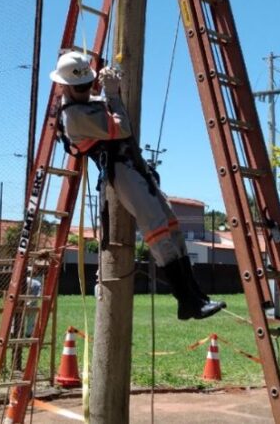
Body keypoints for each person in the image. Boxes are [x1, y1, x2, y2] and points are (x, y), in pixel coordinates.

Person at [50, 51, 225, 320]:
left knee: (172, 227)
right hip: (122, 172)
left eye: (88, 84)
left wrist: (108, 85)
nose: (87, 91)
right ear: (66, 87)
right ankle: (187, 299)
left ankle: (194, 297)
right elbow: (122, 128)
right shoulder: (74, 115)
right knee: (157, 231)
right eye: (81, 86)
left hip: (134, 166)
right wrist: (113, 94)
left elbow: (104, 107)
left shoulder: (82, 102)